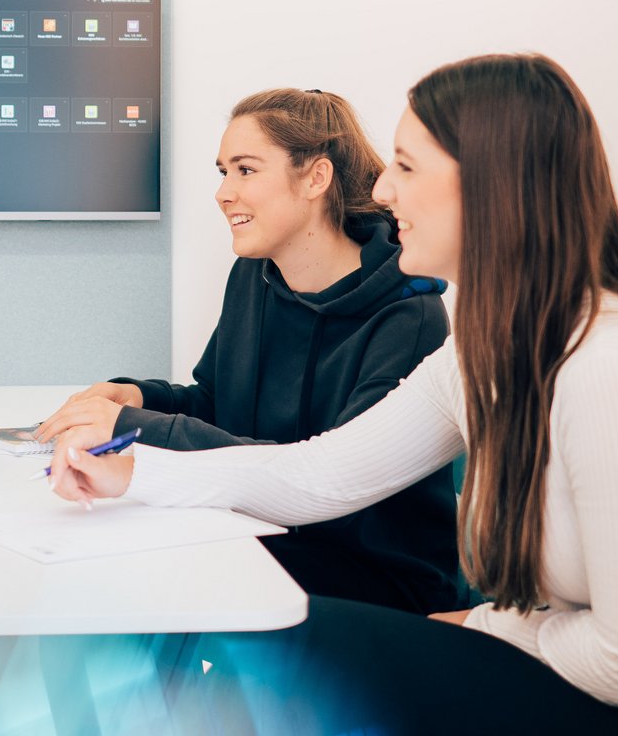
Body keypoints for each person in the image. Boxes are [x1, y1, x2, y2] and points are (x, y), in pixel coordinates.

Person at [47, 54, 618, 735]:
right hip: (589, 666)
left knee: (274, 645)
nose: (380, 188)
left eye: (407, 167)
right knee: (234, 628)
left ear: (491, 186)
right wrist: (134, 473)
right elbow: (320, 472)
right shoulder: (488, 351)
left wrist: (487, 627)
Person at [36, 87, 457, 613]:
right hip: (259, 531)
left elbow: (332, 489)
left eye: (245, 170)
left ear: (316, 178)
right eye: (223, 172)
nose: (223, 193)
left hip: (368, 576)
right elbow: (219, 403)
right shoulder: (253, 276)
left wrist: (134, 430)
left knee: (137, 581)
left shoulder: (408, 316)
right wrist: (142, 399)